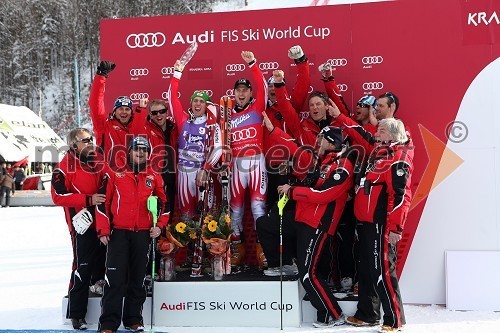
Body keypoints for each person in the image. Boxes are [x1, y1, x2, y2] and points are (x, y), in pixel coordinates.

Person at [263, 111, 354, 327]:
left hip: (318, 224)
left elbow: (324, 195)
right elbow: (308, 180)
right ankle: (325, 314)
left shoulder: (341, 166)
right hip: (305, 221)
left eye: (321, 138)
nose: (317, 141)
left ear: (332, 143)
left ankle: (334, 314)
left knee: (308, 273)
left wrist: (292, 191)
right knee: (306, 271)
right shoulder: (322, 162)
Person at [96, 136, 170, 333]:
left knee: (137, 279)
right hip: (118, 232)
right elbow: (102, 203)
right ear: (129, 152)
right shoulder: (114, 174)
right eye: (137, 149)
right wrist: (103, 229)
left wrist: (160, 226)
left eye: (144, 150)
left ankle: (133, 320)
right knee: (115, 279)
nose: (140, 153)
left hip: (143, 234)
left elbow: (165, 204)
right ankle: (108, 324)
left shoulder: (154, 176)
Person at [345, 118, 413, 333]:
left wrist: (395, 228)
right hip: (365, 222)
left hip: (381, 224)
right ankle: (368, 314)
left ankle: (395, 319)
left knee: (383, 270)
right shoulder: (378, 154)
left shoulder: (398, 158)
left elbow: (401, 197)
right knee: (366, 269)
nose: (377, 133)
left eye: (381, 130)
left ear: (393, 134)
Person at [51, 128, 107, 330]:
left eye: (91, 138)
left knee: (105, 261)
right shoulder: (64, 167)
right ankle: (76, 314)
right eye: (86, 140)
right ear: (74, 145)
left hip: (102, 220)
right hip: (81, 225)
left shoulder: (97, 159)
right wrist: (87, 199)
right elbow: (58, 196)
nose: (91, 142)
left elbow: (108, 179)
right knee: (82, 266)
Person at [229, 51, 268, 269]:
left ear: (250, 92)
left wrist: (253, 63)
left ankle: (263, 252)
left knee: (258, 208)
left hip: (256, 162)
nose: (241, 93)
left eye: (245, 90)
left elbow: (262, 85)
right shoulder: (227, 114)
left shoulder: (257, 107)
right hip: (236, 164)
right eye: (238, 90)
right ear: (234, 93)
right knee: (235, 209)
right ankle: (237, 251)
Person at [168, 60, 222, 219]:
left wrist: (205, 169)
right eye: (195, 100)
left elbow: (217, 149)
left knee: (207, 217)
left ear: (206, 105)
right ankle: (187, 244)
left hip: (203, 172)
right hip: (185, 172)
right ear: (190, 104)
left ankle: (207, 244)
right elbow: (172, 98)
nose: (198, 104)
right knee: (186, 215)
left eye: (202, 101)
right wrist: (177, 74)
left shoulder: (212, 125)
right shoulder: (184, 120)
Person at [88, 61, 147, 169]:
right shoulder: (104, 126)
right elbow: (95, 104)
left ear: (131, 112)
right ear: (114, 112)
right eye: (120, 109)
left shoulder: (136, 127)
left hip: (131, 177)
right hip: (110, 176)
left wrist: (141, 110)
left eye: (127, 109)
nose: (124, 112)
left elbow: (138, 132)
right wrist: (101, 77)